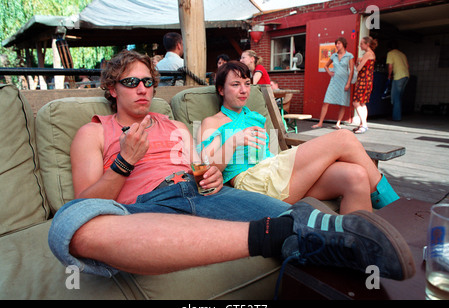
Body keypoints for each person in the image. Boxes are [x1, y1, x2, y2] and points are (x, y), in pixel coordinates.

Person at [47, 50, 415, 282]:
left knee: (301, 215)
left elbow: (203, 167)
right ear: (113, 89)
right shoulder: (94, 132)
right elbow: (86, 206)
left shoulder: (174, 126)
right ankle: (280, 234)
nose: (143, 89)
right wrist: (125, 160)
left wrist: (208, 172)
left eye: (147, 81)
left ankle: (351, 242)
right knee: (71, 228)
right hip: (145, 205)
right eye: (131, 82)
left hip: (203, 194)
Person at [198, 60, 400, 215]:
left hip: (277, 171)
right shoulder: (213, 122)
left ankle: (361, 249)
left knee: (355, 176)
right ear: (221, 89)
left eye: (247, 84)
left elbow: (270, 155)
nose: (243, 90)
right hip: (255, 183)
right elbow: (205, 169)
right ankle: (398, 209)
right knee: (344, 138)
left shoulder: (255, 118)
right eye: (235, 84)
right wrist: (233, 141)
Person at [312, 37, 354, 130]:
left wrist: (348, 83)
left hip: (344, 82)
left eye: (339, 43)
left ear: (343, 44)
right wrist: (329, 72)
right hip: (334, 81)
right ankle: (320, 123)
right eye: (336, 44)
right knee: (326, 101)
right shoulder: (334, 56)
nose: (337, 45)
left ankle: (338, 123)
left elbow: (351, 71)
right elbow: (326, 66)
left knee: (342, 103)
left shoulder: (349, 56)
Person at [352, 36, 377, 134]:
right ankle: (363, 124)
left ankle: (364, 124)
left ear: (367, 44)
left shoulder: (367, 54)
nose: (360, 45)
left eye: (362, 43)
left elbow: (358, 69)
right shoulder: (371, 54)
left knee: (356, 102)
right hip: (368, 80)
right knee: (362, 103)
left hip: (363, 80)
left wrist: (357, 63)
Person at [386, 43, 409, 121]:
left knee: (396, 97)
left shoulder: (390, 53)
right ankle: (397, 115)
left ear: (389, 48)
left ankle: (396, 117)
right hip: (406, 76)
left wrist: (389, 75)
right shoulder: (402, 54)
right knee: (399, 97)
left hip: (398, 76)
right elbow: (408, 66)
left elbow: (390, 66)